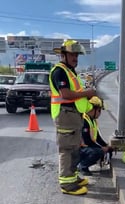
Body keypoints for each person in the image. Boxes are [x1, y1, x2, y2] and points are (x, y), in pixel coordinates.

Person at [49, 39, 97, 195]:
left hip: (73, 116)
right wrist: (87, 93)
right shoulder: (59, 71)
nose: (75, 58)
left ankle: (73, 177)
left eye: (76, 55)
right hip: (65, 115)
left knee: (75, 148)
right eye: (72, 54)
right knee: (67, 149)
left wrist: (85, 97)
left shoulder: (70, 71)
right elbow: (66, 94)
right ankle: (67, 184)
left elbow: (75, 94)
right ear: (63, 55)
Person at [79, 96, 113, 176]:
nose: (100, 113)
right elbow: (87, 140)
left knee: (104, 150)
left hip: (86, 148)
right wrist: (102, 148)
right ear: (93, 109)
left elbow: (97, 138)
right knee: (98, 151)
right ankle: (82, 166)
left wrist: (107, 146)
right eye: (99, 110)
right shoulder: (84, 120)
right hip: (79, 150)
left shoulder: (92, 121)